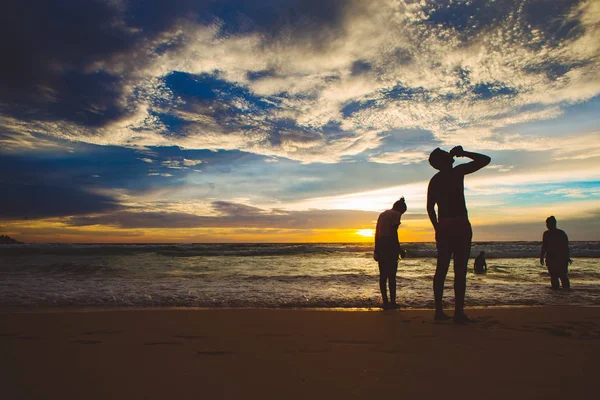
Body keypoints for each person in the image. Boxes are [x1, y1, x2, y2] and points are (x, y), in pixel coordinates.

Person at [427, 146, 490, 323]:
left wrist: (437, 227)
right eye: (445, 154)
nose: (449, 154)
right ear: (441, 161)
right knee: (457, 270)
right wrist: (465, 153)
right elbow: (485, 160)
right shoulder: (457, 172)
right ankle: (457, 313)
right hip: (459, 224)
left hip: (446, 225)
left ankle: (441, 312)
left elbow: (430, 208)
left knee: (443, 269)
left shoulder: (436, 180)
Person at [374, 198, 407, 310]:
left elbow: (376, 233)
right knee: (392, 275)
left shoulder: (382, 214)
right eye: (403, 213)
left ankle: (385, 302)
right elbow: (394, 233)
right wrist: (399, 249)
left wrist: (376, 249)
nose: (401, 215)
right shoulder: (396, 214)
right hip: (389, 245)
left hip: (381, 244)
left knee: (383, 275)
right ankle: (392, 302)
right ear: (401, 210)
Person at [540, 216, 572, 289]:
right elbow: (544, 246)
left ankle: (565, 292)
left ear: (554, 224)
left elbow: (565, 247)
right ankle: (557, 292)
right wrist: (542, 257)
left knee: (563, 276)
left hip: (560, 258)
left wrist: (567, 257)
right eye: (547, 224)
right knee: (554, 276)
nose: (547, 225)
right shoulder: (547, 234)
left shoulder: (560, 233)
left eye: (548, 223)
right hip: (551, 258)